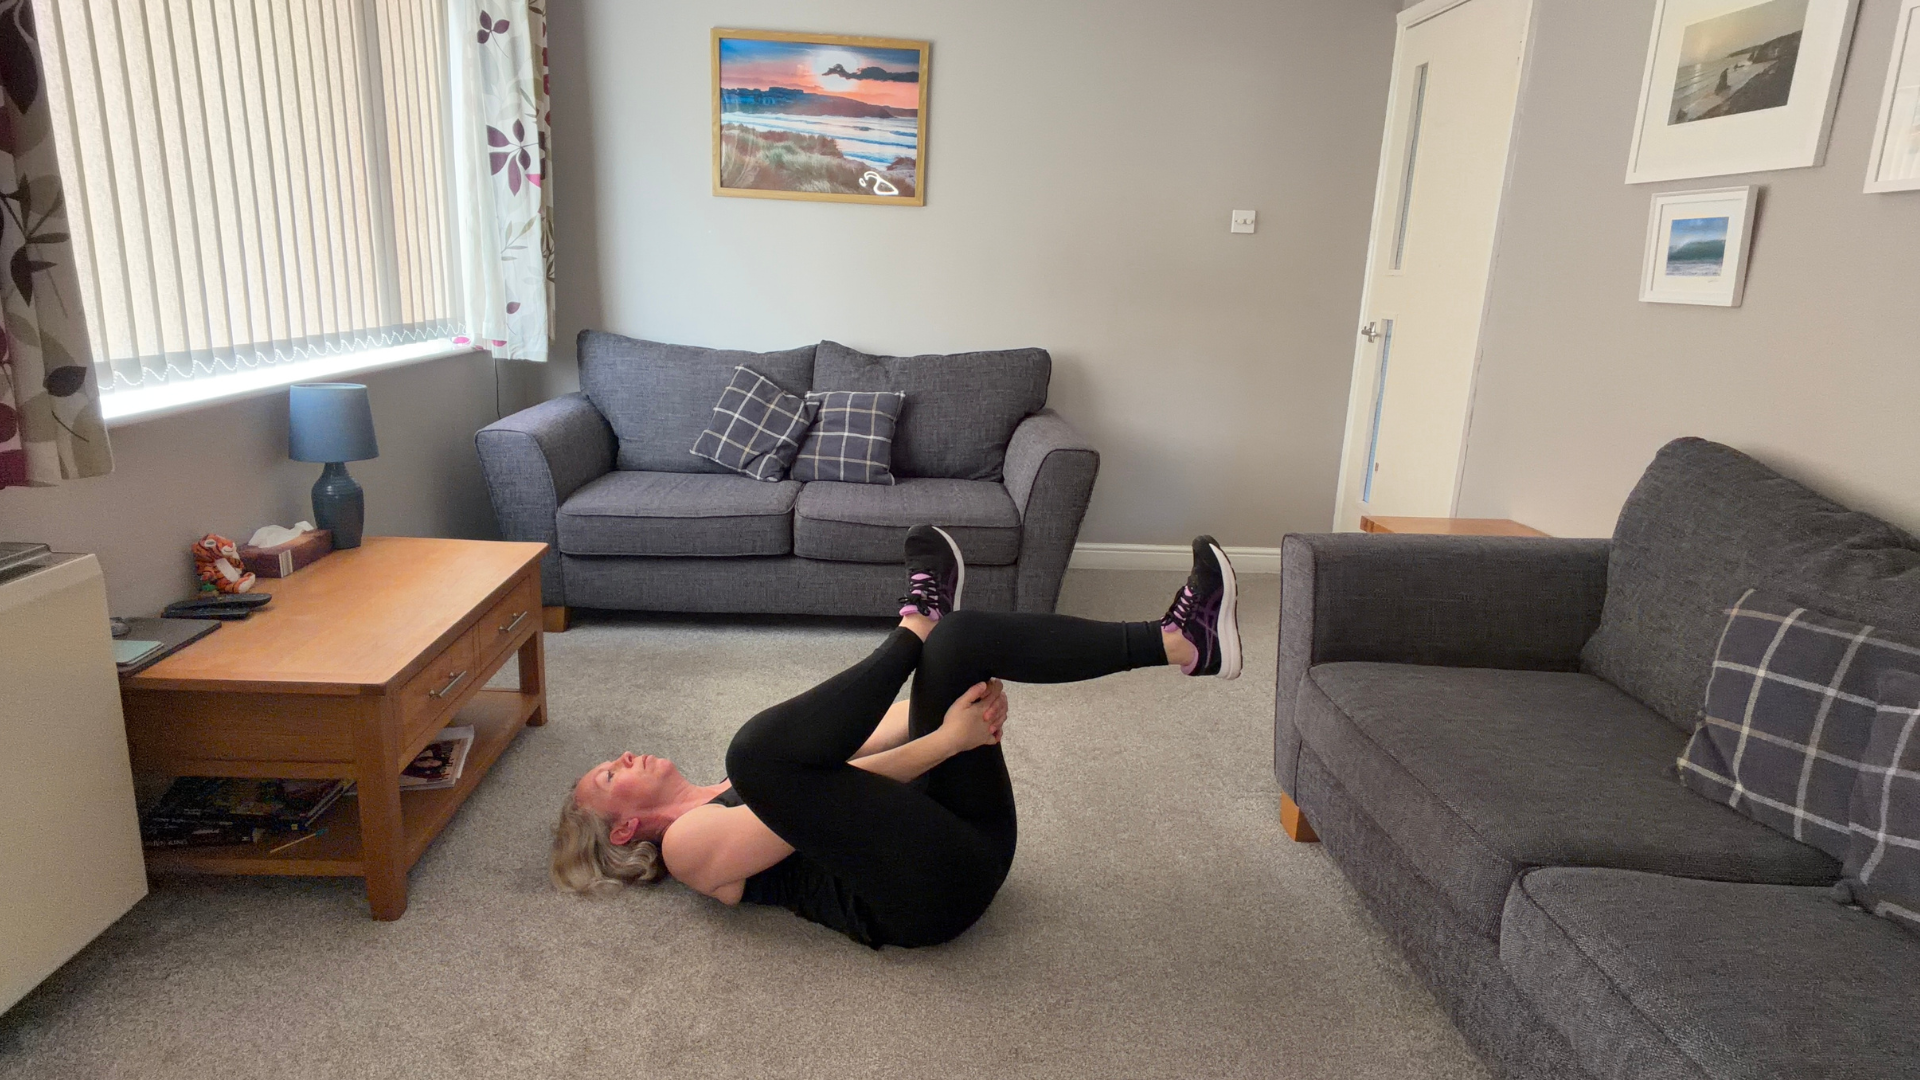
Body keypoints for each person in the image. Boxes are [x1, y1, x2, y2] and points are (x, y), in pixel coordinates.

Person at [551, 525, 1241, 948]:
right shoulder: (686, 846)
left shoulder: (744, 786)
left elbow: (884, 737)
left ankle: (1181, 642)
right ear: (624, 830)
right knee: (754, 752)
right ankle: (916, 625)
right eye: (610, 776)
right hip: (927, 895)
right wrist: (948, 743)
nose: (622, 757)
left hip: (959, 831)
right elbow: (835, 801)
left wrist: (950, 708)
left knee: (966, 643)